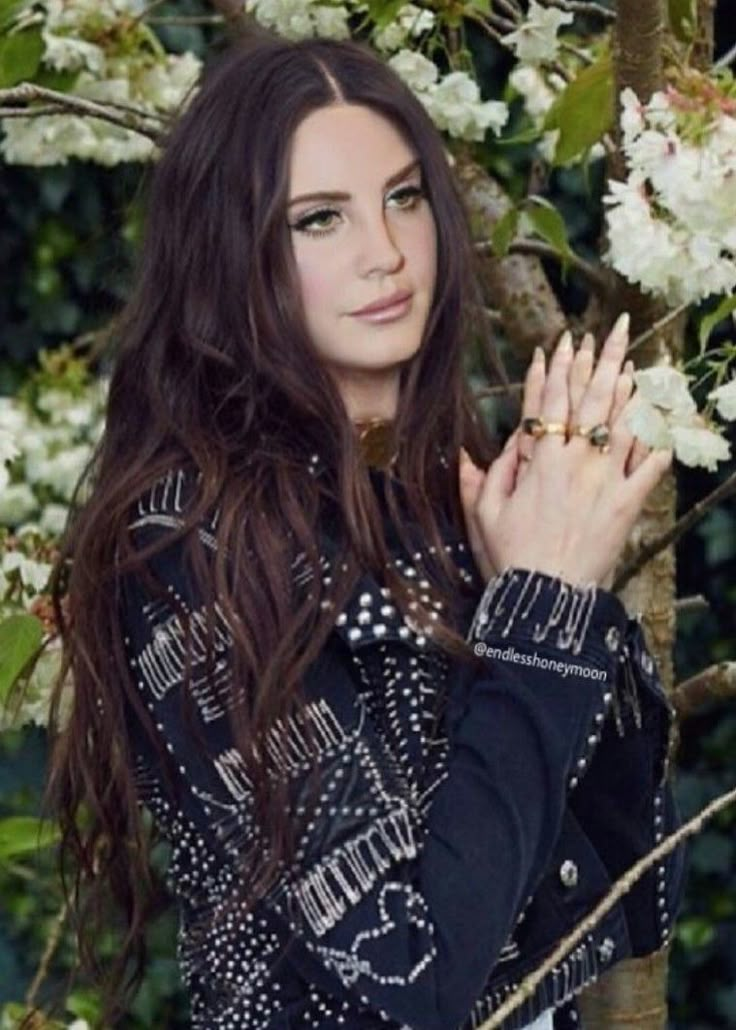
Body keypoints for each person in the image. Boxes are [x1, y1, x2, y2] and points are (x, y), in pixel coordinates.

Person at [46, 28, 687, 1030]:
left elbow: (620, 894)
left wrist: (547, 584)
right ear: (230, 252)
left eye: (403, 196)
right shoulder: (183, 545)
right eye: (318, 219)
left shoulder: (435, 491)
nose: (384, 253)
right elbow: (410, 982)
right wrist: (544, 611)